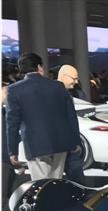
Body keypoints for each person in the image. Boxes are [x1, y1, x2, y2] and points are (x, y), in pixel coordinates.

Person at [5, 53, 80, 181]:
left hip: (36, 145)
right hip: (61, 144)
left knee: (41, 185)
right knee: (56, 181)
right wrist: (75, 141)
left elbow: (12, 123)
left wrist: (13, 151)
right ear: (39, 67)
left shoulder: (14, 90)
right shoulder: (58, 86)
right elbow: (71, 116)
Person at [57, 65, 87, 185]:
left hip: (69, 146)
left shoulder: (66, 94)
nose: (76, 82)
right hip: (62, 146)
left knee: (77, 179)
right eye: (74, 78)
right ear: (64, 76)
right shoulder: (55, 93)